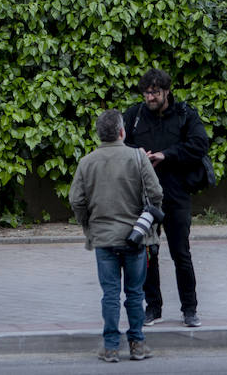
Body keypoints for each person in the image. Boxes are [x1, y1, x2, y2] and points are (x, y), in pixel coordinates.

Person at [70, 109, 164, 364]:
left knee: (110, 293)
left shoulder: (87, 162)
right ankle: (137, 345)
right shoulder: (137, 157)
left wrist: (88, 226)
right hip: (135, 237)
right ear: (122, 132)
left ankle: (111, 347)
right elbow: (156, 193)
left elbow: (76, 200)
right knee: (135, 293)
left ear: (99, 135)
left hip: (103, 239)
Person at [123, 68, 209, 327]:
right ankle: (153, 307)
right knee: (148, 252)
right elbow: (121, 144)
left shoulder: (184, 114)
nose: (150, 98)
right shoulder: (134, 115)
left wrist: (166, 155)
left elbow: (199, 145)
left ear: (167, 91)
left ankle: (190, 309)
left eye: (155, 92)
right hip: (144, 196)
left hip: (175, 193)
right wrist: (136, 153)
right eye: (147, 93)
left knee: (181, 253)